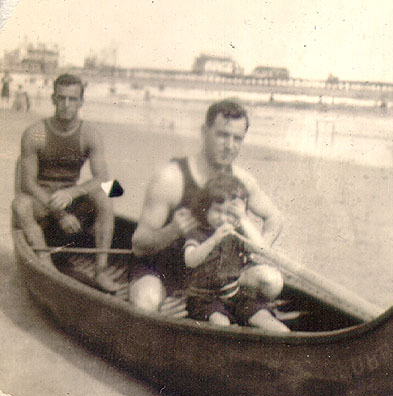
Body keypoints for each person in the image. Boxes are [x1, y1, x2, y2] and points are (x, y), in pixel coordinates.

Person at [130, 99, 283, 312]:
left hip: (218, 274)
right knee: (146, 301)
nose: (230, 146)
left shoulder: (241, 180)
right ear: (204, 132)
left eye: (237, 138)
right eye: (222, 135)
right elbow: (138, 245)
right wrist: (172, 231)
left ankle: (235, 308)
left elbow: (274, 217)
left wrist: (258, 251)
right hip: (167, 270)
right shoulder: (171, 178)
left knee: (272, 282)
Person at [11, 73, 117, 292]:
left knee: (107, 197)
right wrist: (61, 214)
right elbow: (28, 184)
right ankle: (46, 262)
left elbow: (103, 179)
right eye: (61, 98)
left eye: (72, 99)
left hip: (69, 195)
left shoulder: (90, 134)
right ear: (53, 99)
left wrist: (73, 193)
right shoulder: (35, 134)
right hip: (41, 198)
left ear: (81, 102)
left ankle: (101, 270)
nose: (66, 105)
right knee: (20, 205)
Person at [184, 175, 289, 332]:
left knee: (274, 326)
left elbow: (261, 250)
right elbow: (190, 260)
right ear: (205, 209)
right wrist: (214, 239)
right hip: (203, 300)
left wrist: (244, 219)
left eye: (231, 214)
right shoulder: (198, 233)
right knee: (221, 325)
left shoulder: (237, 232)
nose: (224, 218)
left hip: (235, 295)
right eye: (218, 211)